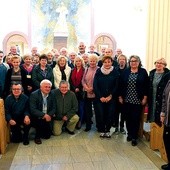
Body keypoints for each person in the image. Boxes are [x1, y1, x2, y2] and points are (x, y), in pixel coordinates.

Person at [119, 55, 149, 146]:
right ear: (129, 62)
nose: (133, 63)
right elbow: (121, 85)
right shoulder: (126, 72)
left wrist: (145, 97)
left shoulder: (143, 72)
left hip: (137, 100)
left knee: (135, 119)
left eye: (135, 61)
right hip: (127, 99)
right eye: (131, 61)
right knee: (127, 118)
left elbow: (146, 86)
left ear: (139, 62)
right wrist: (120, 96)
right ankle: (129, 134)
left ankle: (134, 137)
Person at [94, 56, 119, 138]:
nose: (107, 63)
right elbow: (95, 85)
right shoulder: (98, 71)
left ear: (111, 62)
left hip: (111, 98)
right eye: (105, 62)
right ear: (102, 63)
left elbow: (116, 85)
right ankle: (101, 130)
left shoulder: (115, 71)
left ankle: (107, 130)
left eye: (109, 62)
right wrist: (100, 96)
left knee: (110, 114)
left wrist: (110, 96)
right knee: (100, 114)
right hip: (99, 98)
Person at [29, 79, 56, 144]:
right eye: (46, 87)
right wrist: (44, 115)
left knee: (47, 136)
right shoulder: (34, 94)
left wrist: (49, 115)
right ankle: (37, 137)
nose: (48, 89)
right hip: (37, 116)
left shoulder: (52, 94)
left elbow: (54, 108)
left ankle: (42, 130)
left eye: (49, 87)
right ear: (41, 87)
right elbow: (33, 109)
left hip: (47, 116)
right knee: (39, 122)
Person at [148, 58, 169, 125]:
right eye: (157, 63)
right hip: (152, 98)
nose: (158, 64)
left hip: (162, 99)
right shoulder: (151, 73)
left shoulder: (168, 75)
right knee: (152, 116)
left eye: (161, 63)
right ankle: (153, 133)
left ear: (164, 65)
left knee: (160, 119)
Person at [82, 54, 99, 131]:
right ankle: (88, 126)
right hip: (87, 92)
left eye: (94, 61)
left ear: (96, 61)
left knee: (97, 110)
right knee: (87, 110)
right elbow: (83, 80)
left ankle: (99, 126)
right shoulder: (86, 69)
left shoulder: (99, 69)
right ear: (88, 61)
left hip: (96, 93)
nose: (92, 62)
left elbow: (99, 81)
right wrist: (87, 88)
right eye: (91, 61)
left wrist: (92, 88)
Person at [113, 54, 128, 134]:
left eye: (123, 59)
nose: (122, 60)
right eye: (120, 59)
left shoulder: (128, 70)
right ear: (118, 61)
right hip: (116, 94)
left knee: (123, 112)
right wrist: (118, 96)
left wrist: (122, 96)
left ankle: (122, 127)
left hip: (125, 94)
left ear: (126, 61)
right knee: (116, 112)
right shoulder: (115, 70)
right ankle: (116, 127)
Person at [70, 56, 85, 129]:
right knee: (74, 107)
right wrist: (74, 88)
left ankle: (80, 121)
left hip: (81, 92)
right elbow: (70, 80)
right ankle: (75, 121)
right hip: (73, 92)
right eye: (76, 61)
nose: (78, 62)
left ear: (82, 62)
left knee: (81, 107)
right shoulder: (72, 70)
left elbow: (84, 80)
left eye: (79, 61)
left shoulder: (84, 70)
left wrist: (78, 88)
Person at [160, 79, 170, 170]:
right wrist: (162, 113)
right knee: (166, 139)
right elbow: (164, 98)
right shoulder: (169, 81)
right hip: (167, 118)